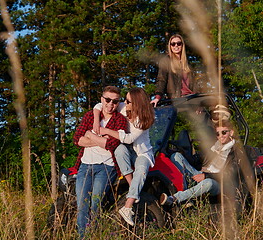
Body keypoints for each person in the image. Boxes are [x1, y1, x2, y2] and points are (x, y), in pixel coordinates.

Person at [71, 86, 128, 239]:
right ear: (102, 99)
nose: (111, 104)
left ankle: (94, 235)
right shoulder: (90, 116)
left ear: (118, 103)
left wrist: (89, 135)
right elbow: (77, 139)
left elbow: (112, 145)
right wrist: (100, 140)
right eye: (107, 100)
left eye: (115, 101)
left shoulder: (120, 120)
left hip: (106, 167)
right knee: (82, 205)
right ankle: (82, 237)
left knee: (96, 205)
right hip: (84, 165)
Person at [93, 87, 155, 226]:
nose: (124, 103)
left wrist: (106, 130)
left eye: (128, 101)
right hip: (127, 150)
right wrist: (96, 121)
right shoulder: (123, 107)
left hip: (141, 152)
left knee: (141, 169)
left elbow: (129, 138)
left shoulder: (144, 119)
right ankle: (133, 187)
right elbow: (100, 104)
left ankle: (128, 206)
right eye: (125, 100)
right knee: (119, 149)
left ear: (137, 103)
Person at [160, 120, 250, 208]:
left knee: (208, 183)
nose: (220, 136)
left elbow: (229, 174)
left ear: (231, 132)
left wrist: (206, 176)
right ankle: (187, 196)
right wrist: (179, 151)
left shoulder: (238, 151)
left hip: (220, 183)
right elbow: (197, 160)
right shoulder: (215, 147)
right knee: (176, 156)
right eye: (217, 134)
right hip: (203, 174)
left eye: (224, 132)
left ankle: (175, 198)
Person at [150, 34, 198, 107]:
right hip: (177, 100)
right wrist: (158, 97)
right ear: (170, 46)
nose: (176, 46)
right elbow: (161, 79)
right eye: (173, 44)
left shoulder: (188, 64)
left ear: (182, 45)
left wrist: (199, 102)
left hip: (191, 99)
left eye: (179, 43)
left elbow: (195, 85)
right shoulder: (166, 61)